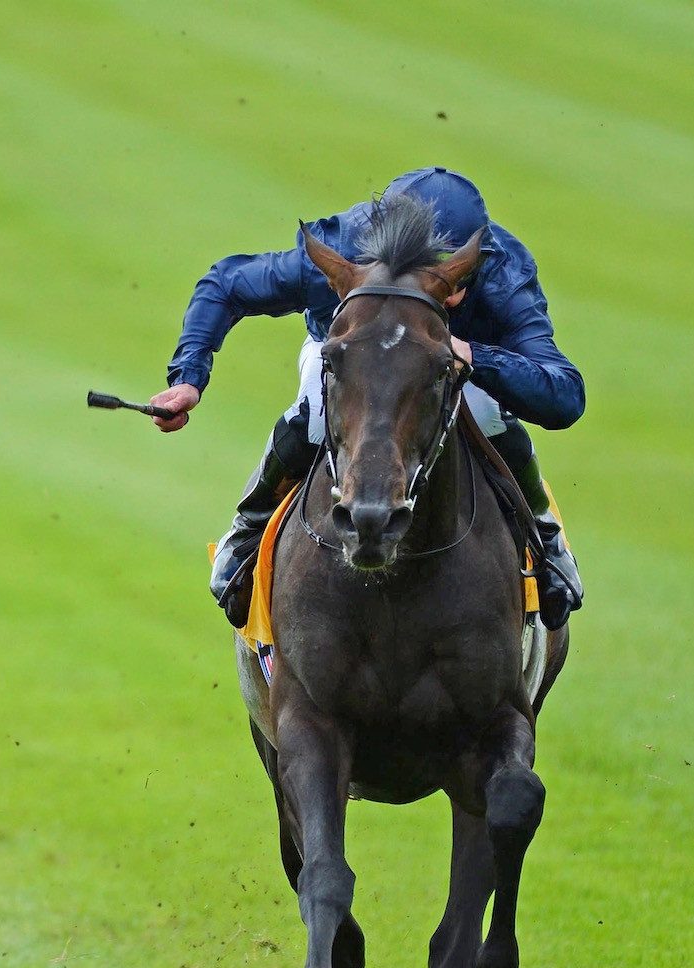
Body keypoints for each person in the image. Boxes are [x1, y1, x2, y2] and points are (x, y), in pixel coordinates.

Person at [152, 167, 584, 630]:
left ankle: (545, 535)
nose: (452, 294)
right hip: (351, 353)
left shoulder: (502, 272)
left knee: (488, 412)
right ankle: (248, 529)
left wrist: (473, 354)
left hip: (449, 363)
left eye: (458, 279)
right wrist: (189, 378)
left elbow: (563, 395)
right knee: (316, 415)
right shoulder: (343, 248)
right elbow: (226, 284)